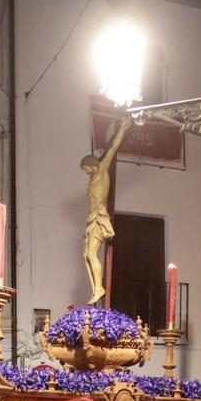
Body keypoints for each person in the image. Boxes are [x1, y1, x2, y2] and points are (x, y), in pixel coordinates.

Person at [80, 115, 132, 304]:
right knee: (86, 254)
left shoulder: (102, 170)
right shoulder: (91, 180)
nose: (85, 172)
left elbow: (112, 149)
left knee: (92, 253)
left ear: (91, 164)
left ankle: (99, 288)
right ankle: (96, 289)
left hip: (100, 217)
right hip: (92, 218)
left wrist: (123, 128)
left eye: (85, 168)